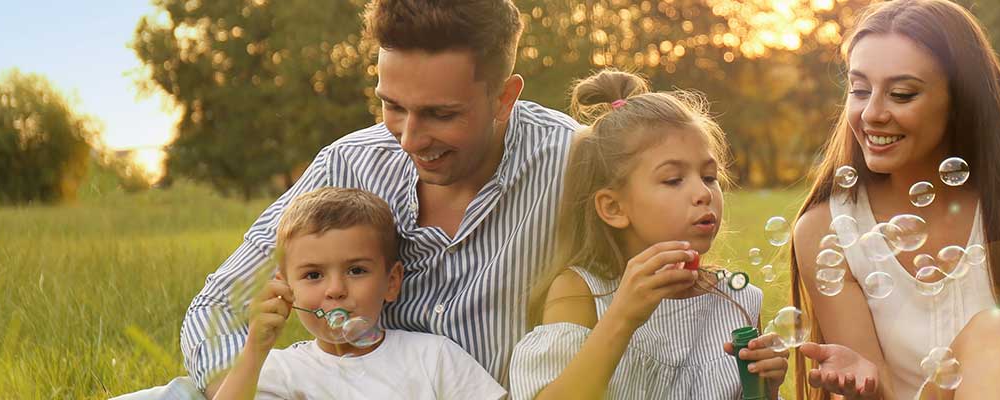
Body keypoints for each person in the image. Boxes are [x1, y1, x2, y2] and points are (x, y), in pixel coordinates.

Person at [173, 0, 578, 396]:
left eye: (441, 114)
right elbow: (219, 306)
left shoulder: (573, 163)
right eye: (393, 106)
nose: (409, 140)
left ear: (505, 97)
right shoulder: (348, 164)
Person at [788, 0, 1000, 398]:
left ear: (960, 100)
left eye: (901, 94)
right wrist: (859, 383)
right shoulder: (826, 227)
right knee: (995, 328)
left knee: (996, 331)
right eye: (860, 90)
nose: (872, 113)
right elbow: (877, 385)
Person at [507, 70, 789, 399]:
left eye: (709, 176)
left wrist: (765, 389)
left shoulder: (738, 299)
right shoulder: (582, 293)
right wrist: (622, 317)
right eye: (673, 180)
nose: (703, 193)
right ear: (613, 208)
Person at [212, 187, 504, 400]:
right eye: (313, 275)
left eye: (356, 271)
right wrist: (254, 351)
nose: (336, 290)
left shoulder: (434, 357)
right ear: (286, 290)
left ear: (391, 282)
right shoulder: (281, 370)